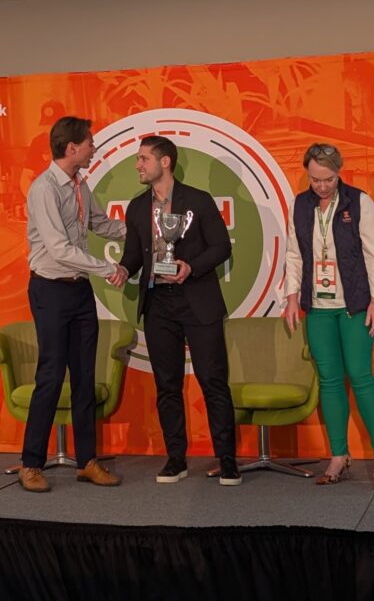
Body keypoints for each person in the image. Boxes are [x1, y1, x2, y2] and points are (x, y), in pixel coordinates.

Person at [117, 135, 241, 486]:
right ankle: (175, 459)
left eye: (143, 159)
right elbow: (132, 254)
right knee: (166, 385)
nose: (138, 165)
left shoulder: (197, 201)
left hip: (198, 301)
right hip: (158, 304)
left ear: (165, 162)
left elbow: (220, 248)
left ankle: (227, 460)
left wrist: (191, 266)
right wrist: (125, 269)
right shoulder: (137, 207)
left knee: (213, 381)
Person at [19, 116, 130, 493]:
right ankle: (31, 463)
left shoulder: (81, 185)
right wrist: (109, 268)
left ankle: (87, 461)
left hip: (80, 291)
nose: (93, 148)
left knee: (85, 375)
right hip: (50, 289)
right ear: (72, 149)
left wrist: (147, 227)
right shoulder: (44, 189)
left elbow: (102, 225)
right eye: (89, 143)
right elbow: (59, 250)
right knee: (50, 376)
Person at [282, 143, 374, 488]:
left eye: (328, 179)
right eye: (315, 179)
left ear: (338, 172)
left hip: (355, 305)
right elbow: (294, 254)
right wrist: (290, 296)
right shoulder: (301, 205)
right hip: (318, 307)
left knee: (361, 376)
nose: (322, 186)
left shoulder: (359, 202)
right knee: (330, 381)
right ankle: (338, 455)